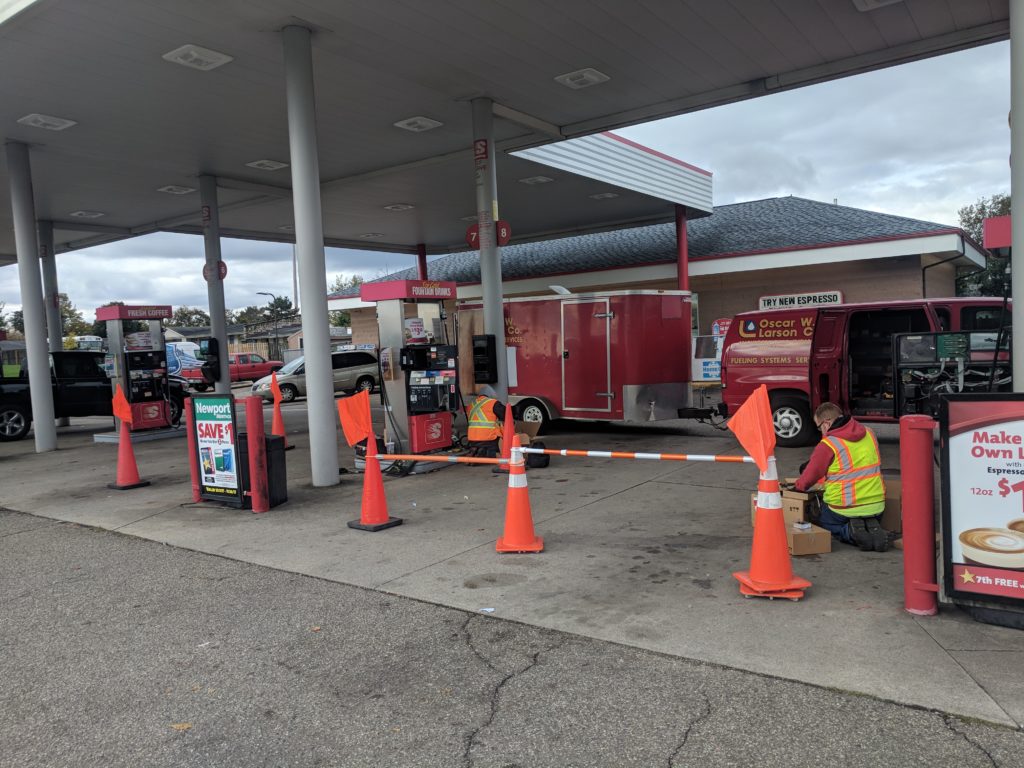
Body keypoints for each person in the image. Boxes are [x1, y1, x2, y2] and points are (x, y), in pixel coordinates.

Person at [794, 402, 890, 552]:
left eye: (819, 427)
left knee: (824, 521)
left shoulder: (828, 444)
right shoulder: (869, 433)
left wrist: (798, 487)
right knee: (865, 513)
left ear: (826, 423)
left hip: (843, 509)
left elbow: (809, 477)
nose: (821, 431)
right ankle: (870, 523)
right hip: (877, 506)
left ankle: (850, 532)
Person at [466, 384, 506, 458]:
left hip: (472, 438)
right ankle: (489, 453)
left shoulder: (471, 405)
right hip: (488, 438)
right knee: (495, 450)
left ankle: (476, 451)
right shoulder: (493, 403)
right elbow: (506, 416)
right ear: (491, 394)